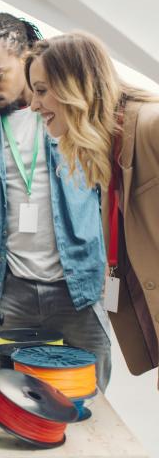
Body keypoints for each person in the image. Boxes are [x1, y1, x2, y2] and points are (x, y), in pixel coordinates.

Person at [0, 13, 111, 390]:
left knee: (87, 392)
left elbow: (104, 194)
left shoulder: (71, 114)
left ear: (28, 56)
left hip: (78, 285)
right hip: (14, 289)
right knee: (13, 391)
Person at [26, 31, 159, 381]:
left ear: (76, 86)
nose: (34, 105)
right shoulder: (110, 154)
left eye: (41, 91)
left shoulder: (152, 127)